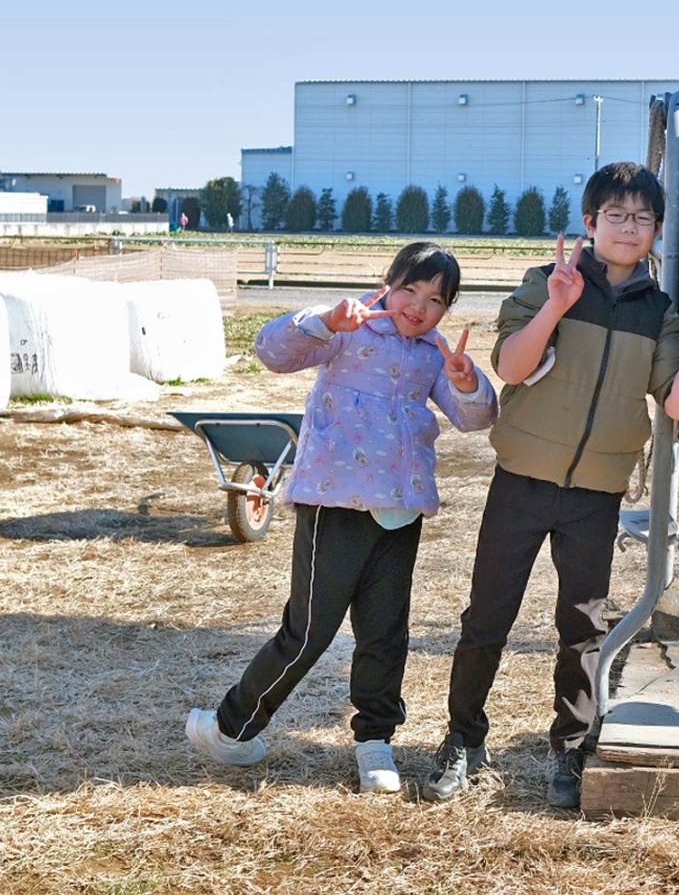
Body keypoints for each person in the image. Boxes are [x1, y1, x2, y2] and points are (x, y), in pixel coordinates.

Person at [421, 161, 679, 809]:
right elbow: (510, 364)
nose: (628, 226)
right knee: (486, 618)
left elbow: (677, 404)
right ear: (589, 223)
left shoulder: (661, 312)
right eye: (615, 214)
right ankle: (463, 740)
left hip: (597, 492)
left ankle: (571, 750)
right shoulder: (546, 282)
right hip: (521, 480)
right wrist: (557, 306)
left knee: (582, 627)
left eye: (641, 217)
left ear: (656, 232)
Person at [185, 241, 497, 794]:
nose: (418, 307)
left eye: (435, 299)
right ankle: (232, 727)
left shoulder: (433, 354)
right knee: (309, 632)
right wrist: (324, 320)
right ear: (388, 282)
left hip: (400, 514)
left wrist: (468, 380)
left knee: (385, 634)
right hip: (335, 504)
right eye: (410, 290)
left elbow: (477, 419)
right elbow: (270, 350)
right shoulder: (349, 327)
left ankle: (375, 744)